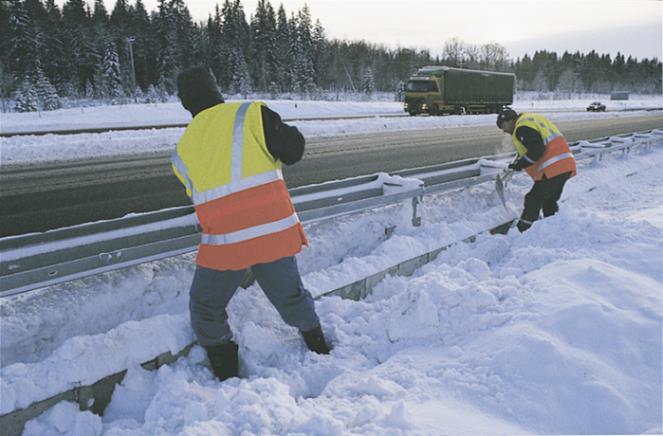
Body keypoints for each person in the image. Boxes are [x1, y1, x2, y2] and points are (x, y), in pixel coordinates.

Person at [172, 66, 331, 382]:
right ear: (216, 89)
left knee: (205, 308)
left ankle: (228, 377)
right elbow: (294, 150)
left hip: (226, 246)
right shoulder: (251, 114)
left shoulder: (182, 149)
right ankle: (320, 349)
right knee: (291, 297)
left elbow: (199, 195)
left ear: (185, 103)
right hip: (272, 235)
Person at [496, 108, 577, 232]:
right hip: (564, 164)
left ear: (511, 120)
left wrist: (520, 165)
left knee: (532, 200)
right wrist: (517, 162)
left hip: (553, 168)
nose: (504, 131)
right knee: (548, 201)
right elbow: (532, 146)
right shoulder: (530, 119)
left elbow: (537, 149)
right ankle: (553, 228)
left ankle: (523, 231)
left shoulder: (521, 128)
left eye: (504, 126)